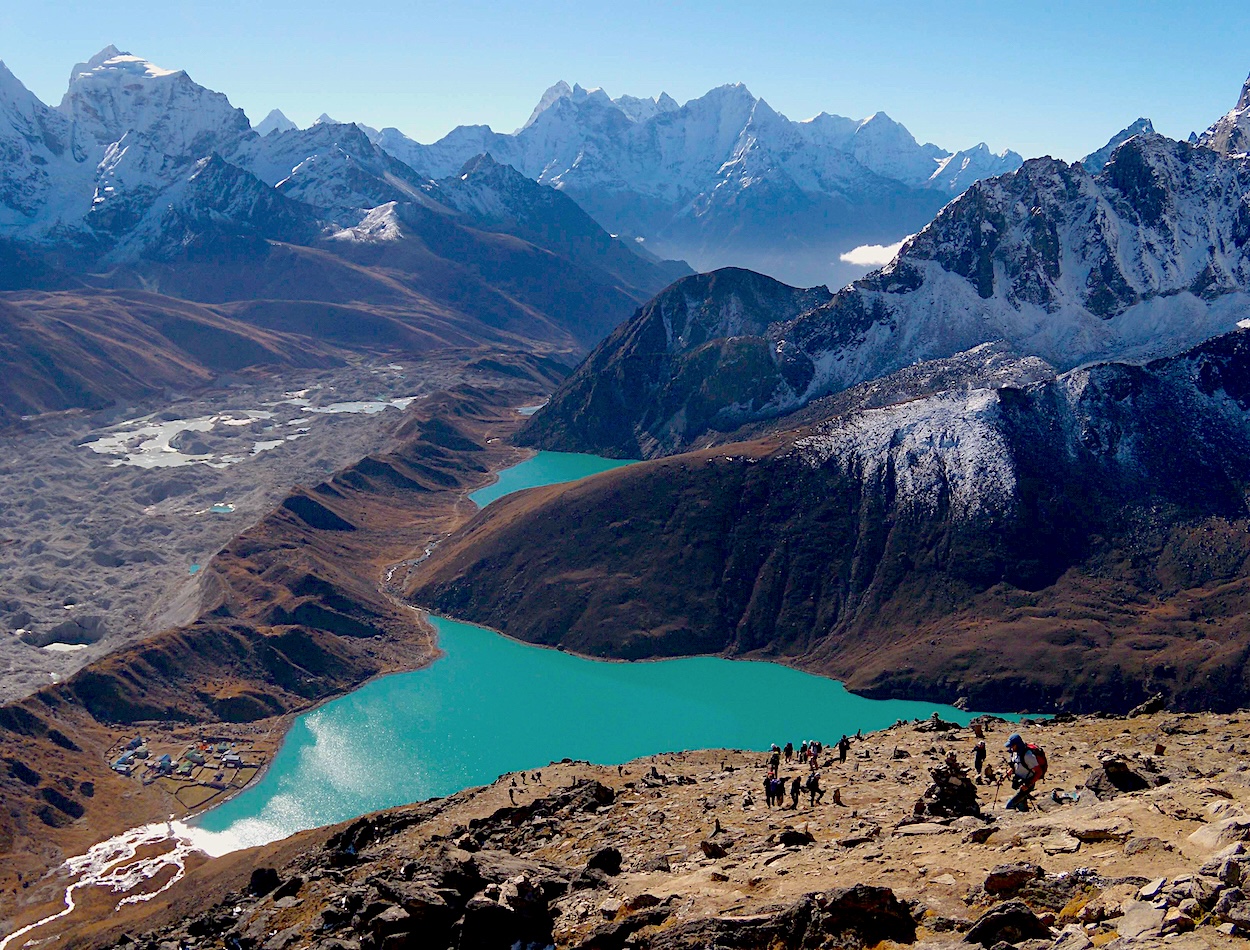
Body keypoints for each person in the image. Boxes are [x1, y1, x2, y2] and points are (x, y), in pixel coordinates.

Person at [1005, 733, 1045, 811]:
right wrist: (1005, 775)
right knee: (1021, 804)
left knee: (1009, 805)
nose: (1011, 747)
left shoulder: (1028, 755)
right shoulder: (1015, 753)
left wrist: (1028, 785)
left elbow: (1039, 772)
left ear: (1018, 745)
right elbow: (1016, 765)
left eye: (1012, 745)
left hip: (1026, 784)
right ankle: (1025, 813)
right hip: (1018, 782)